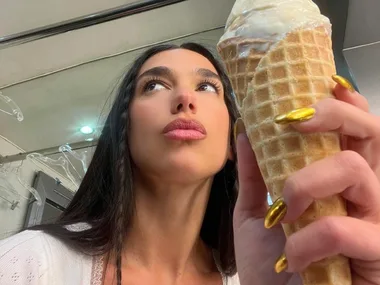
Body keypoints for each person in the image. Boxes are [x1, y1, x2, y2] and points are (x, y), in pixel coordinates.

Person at [0, 41, 379, 285]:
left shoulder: (259, 277)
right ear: (124, 131)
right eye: (155, 85)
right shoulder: (30, 263)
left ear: (235, 142)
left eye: (207, 86)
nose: (184, 98)